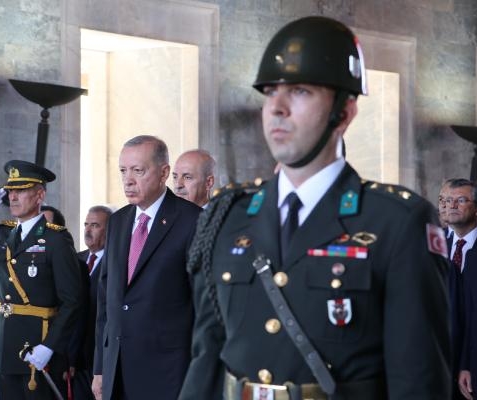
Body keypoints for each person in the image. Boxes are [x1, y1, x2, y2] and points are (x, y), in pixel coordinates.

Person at [179, 16, 451, 399]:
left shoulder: (396, 222)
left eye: (301, 91)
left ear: (344, 112)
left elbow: (418, 382)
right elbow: (207, 358)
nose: (277, 107)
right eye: (270, 92)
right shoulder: (228, 215)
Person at [0, 160, 87, 400]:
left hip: (39, 346)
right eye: (11, 190)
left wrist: (49, 346)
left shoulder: (55, 240)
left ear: (39, 194)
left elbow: (72, 301)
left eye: (21, 190)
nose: (13, 196)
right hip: (5, 346)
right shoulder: (4, 234)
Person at [92, 135, 201, 400]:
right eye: (122, 170)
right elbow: (106, 301)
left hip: (168, 373)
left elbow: (203, 305)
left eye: (138, 170)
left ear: (164, 172)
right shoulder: (118, 221)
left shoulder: (192, 220)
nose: (127, 179)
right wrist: (99, 368)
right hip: (116, 370)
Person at [69, 205, 112, 400]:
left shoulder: (116, 262)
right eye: (86, 224)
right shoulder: (75, 260)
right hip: (75, 360)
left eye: (95, 225)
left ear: (110, 230)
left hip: (100, 357)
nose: (87, 230)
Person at [444, 180, 477, 400]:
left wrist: (468, 364)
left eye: (461, 200)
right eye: (448, 200)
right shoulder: (433, 246)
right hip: (440, 363)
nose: (452, 205)